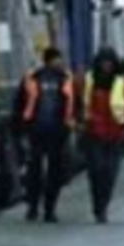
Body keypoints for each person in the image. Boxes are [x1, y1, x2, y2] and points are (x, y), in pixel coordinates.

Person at [17, 47, 76, 222]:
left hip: (57, 132)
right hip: (37, 131)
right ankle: (34, 207)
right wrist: (20, 129)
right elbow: (21, 103)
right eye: (57, 59)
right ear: (49, 60)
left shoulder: (66, 79)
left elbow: (74, 103)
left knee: (54, 173)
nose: (60, 63)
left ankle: (49, 209)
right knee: (35, 171)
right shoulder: (33, 78)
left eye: (61, 59)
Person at [79, 48, 124, 223]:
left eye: (109, 62)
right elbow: (79, 102)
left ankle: (103, 206)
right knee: (96, 171)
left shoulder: (123, 81)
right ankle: (98, 206)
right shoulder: (88, 80)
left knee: (110, 173)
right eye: (103, 62)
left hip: (115, 133)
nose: (106, 66)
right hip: (93, 133)